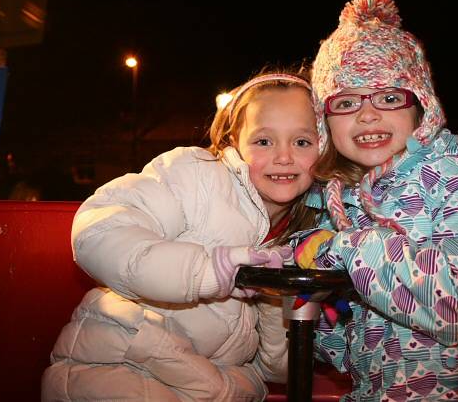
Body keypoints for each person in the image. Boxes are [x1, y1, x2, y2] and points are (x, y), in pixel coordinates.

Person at [41, 69, 322, 401]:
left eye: (302, 141)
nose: (284, 156)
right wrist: (205, 271)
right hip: (120, 360)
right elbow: (100, 227)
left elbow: (279, 371)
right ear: (234, 142)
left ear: (323, 149)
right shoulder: (197, 176)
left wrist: (282, 296)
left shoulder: (303, 235)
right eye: (264, 140)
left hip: (206, 385)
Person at [296, 0, 458, 401]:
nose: (367, 115)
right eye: (345, 102)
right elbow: (344, 352)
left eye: (388, 97)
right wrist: (322, 299)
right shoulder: (339, 199)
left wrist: (346, 248)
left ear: (421, 106)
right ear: (324, 121)